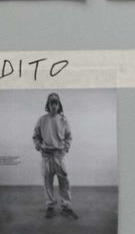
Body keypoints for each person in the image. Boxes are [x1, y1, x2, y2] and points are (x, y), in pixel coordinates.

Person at [32, 92, 78, 220]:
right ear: (48, 105)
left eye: (56, 103)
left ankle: (66, 207)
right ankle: (50, 207)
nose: (53, 106)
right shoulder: (42, 120)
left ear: (59, 105)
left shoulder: (63, 120)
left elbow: (69, 136)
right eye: (51, 103)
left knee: (64, 181)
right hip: (46, 156)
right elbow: (36, 136)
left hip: (59, 155)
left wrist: (66, 147)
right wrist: (39, 146)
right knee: (48, 182)